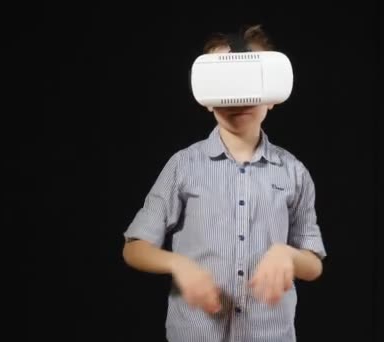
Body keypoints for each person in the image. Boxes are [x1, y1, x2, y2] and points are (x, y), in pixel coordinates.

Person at [122, 24, 327, 342]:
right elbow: (134, 248)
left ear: (272, 95)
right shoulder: (183, 165)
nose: (238, 97)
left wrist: (288, 254)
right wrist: (179, 264)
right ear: (206, 98)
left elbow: (313, 264)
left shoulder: (293, 172)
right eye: (226, 83)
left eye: (250, 82)